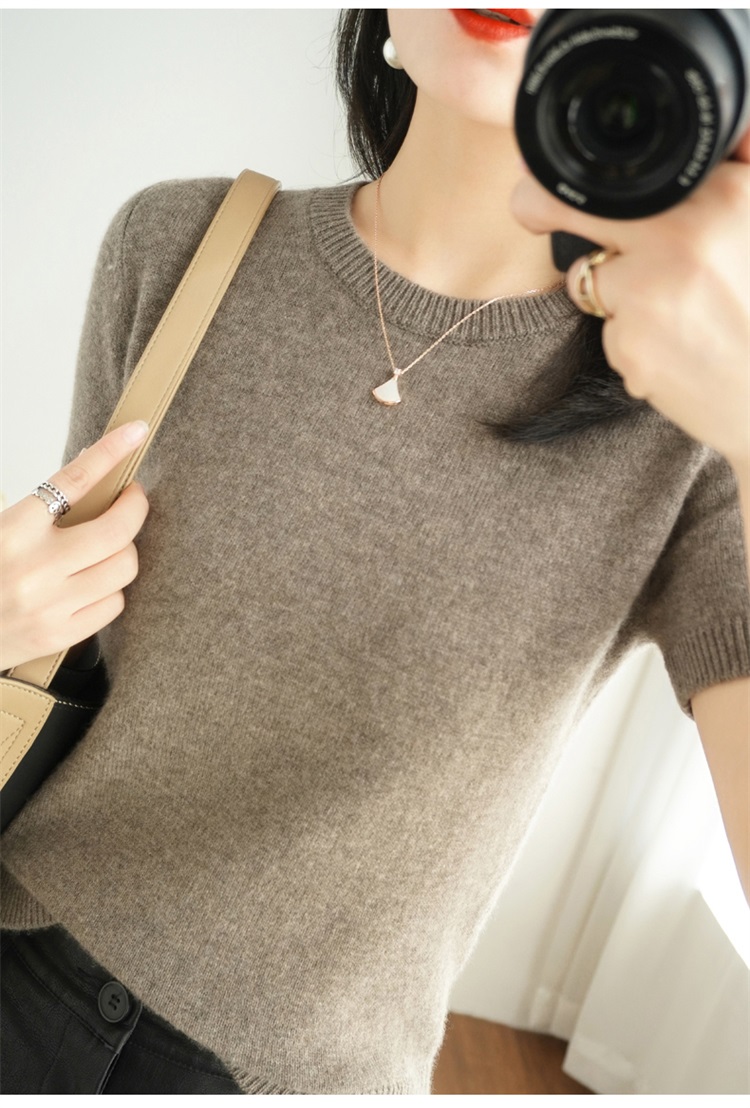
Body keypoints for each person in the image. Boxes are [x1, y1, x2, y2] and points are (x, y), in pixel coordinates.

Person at [1, 8, 749, 1096]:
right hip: (24, 947)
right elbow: (71, 651)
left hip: (296, 1073)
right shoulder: (178, 242)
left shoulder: (696, 414)